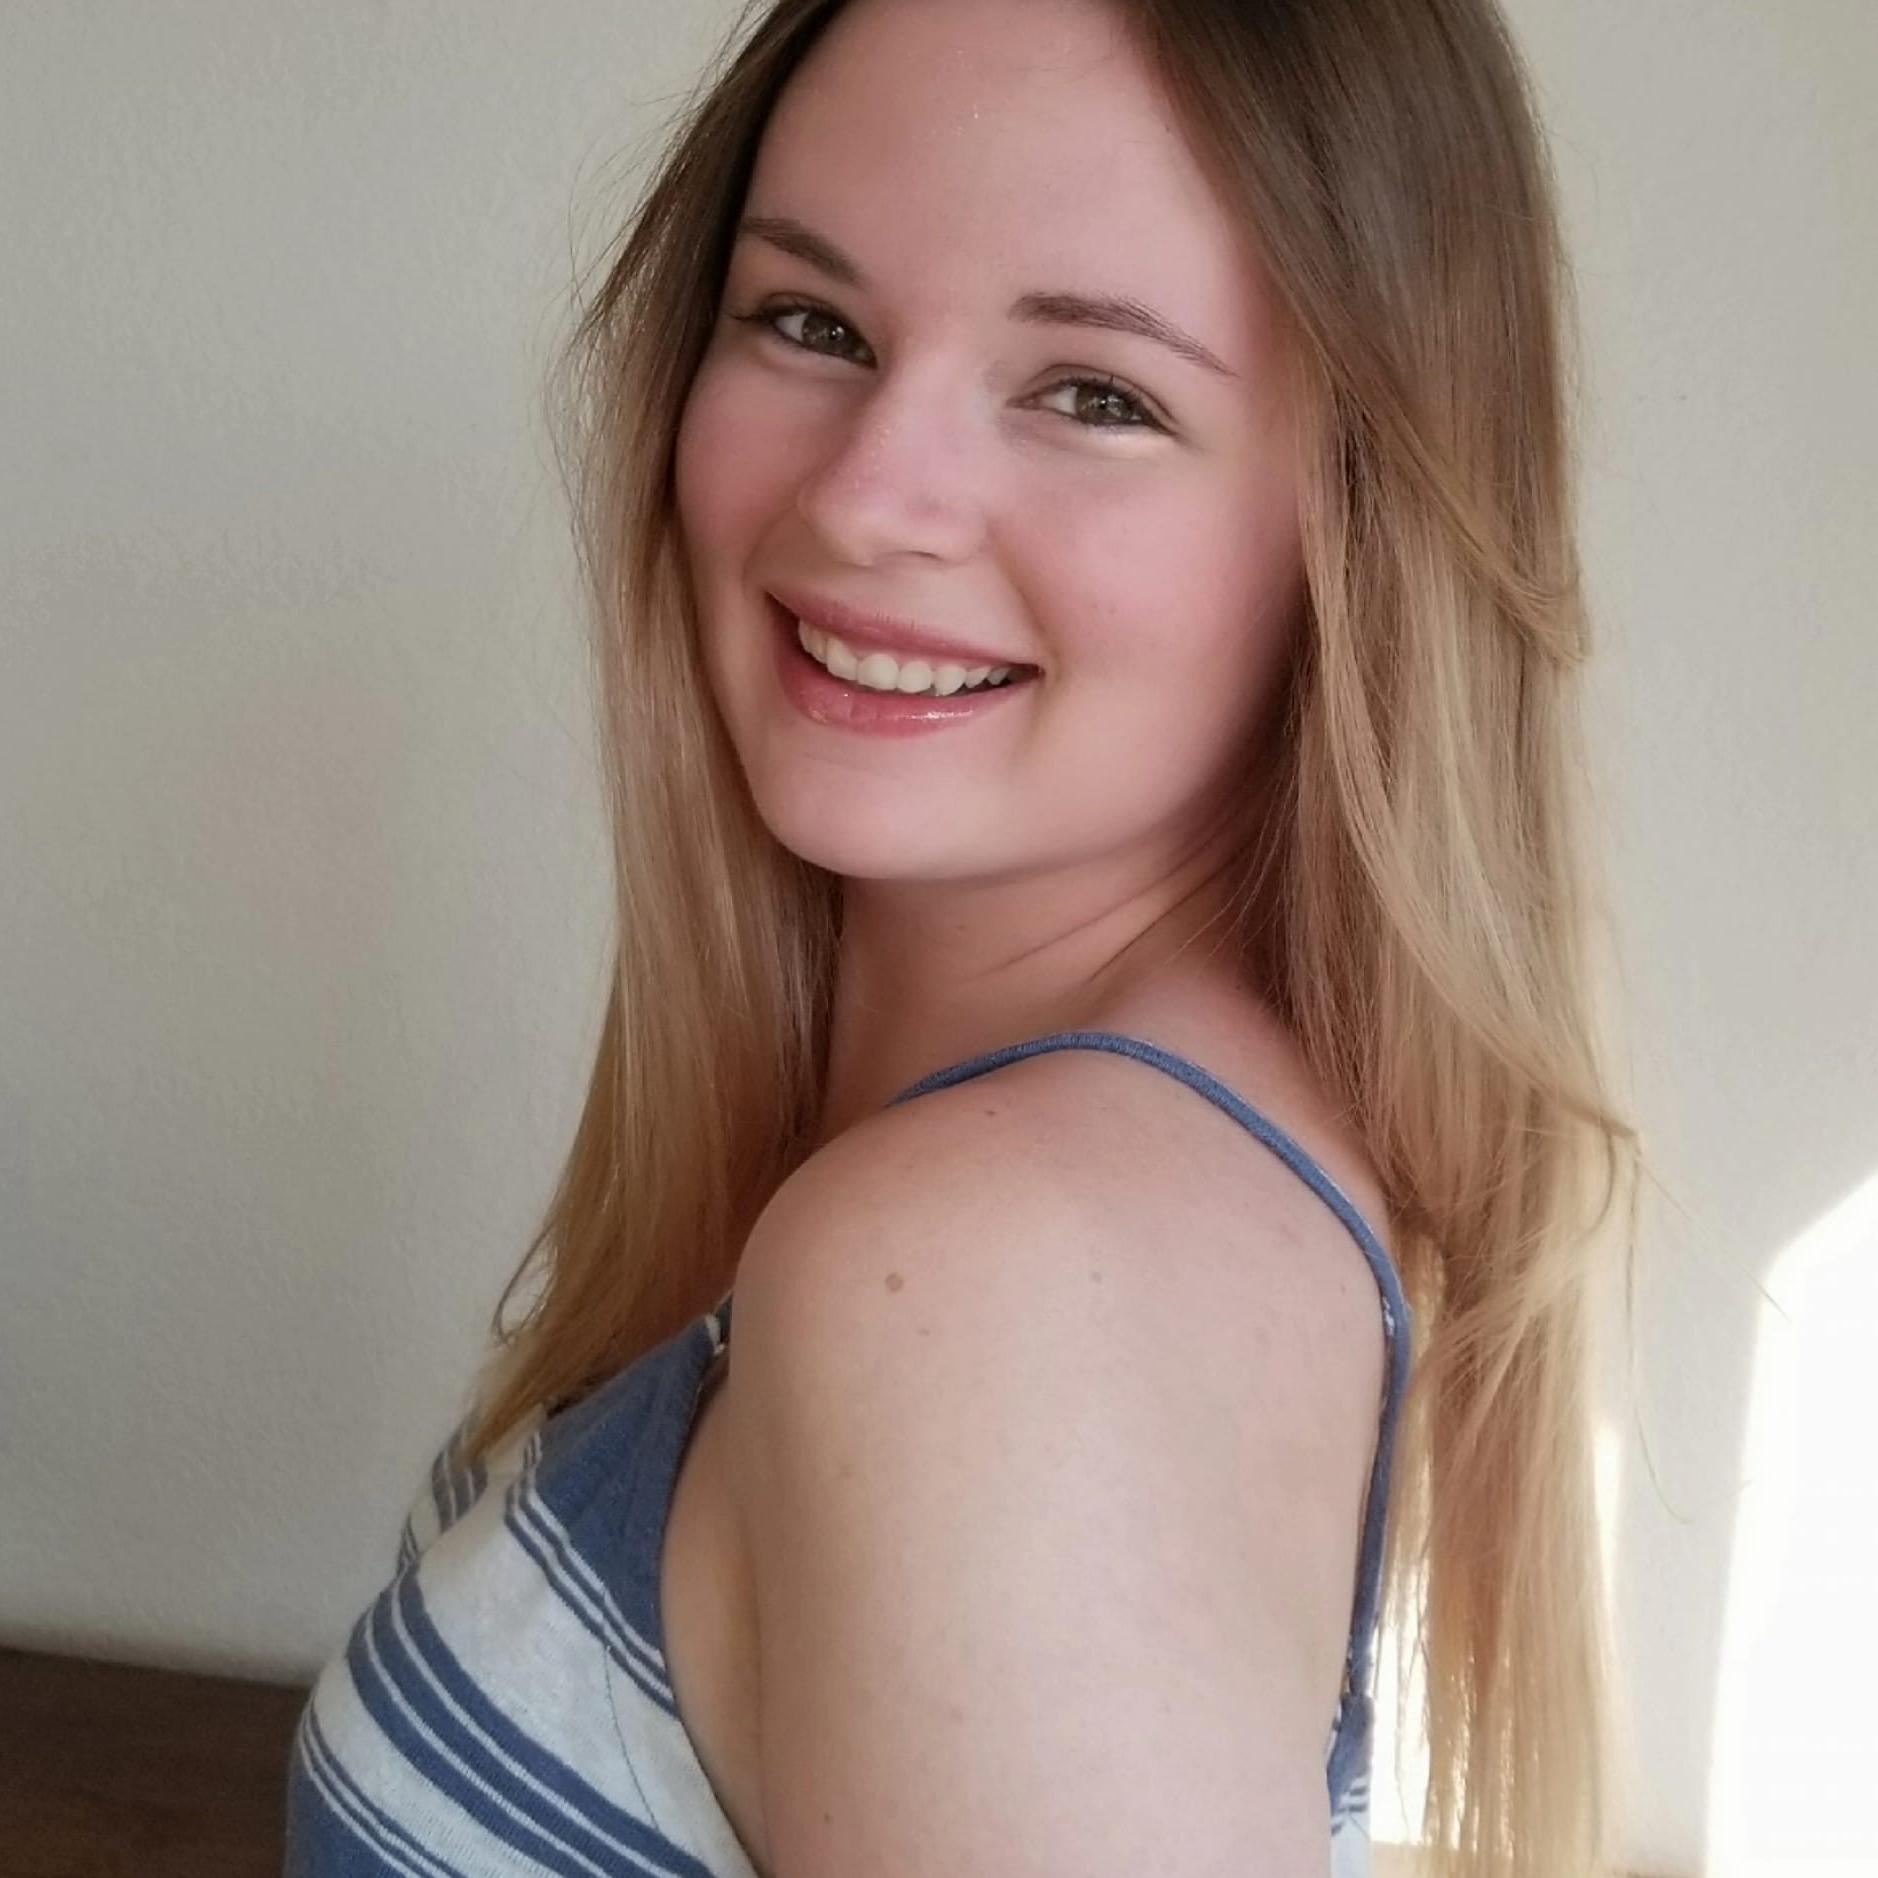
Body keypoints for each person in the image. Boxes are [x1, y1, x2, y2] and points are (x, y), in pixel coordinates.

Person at [284, 1, 1642, 1874]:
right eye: (810, 323)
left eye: (1094, 394)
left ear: (1356, 528)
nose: (863, 499)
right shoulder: (1040, 1192)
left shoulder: (990, 1285)